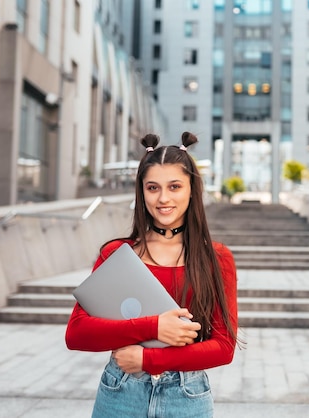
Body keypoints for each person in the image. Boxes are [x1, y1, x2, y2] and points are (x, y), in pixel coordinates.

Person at [65, 132, 239, 418]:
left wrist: (149, 357)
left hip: (186, 394)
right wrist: (154, 327)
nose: (163, 198)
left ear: (192, 189)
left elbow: (223, 347)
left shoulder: (216, 258)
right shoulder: (117, 254)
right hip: (121, 391)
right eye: (153, 188)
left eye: (174, 187)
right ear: (141, 191)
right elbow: (77, 334)